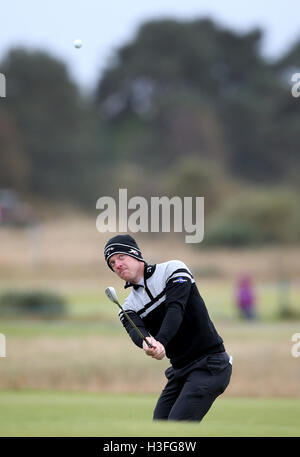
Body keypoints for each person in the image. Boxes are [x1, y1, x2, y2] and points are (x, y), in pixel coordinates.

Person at [104, 234, 232, 422]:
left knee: (175, 428)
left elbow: (175, 309)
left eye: (121, 257)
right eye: (112, 263)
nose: (117, 265)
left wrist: (162, 341)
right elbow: (136, 331)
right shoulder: (128, 306)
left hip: (210, 364)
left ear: (136, 254)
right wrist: (147, 344)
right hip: (180, 370)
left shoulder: (173, 269)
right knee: (160, 425)